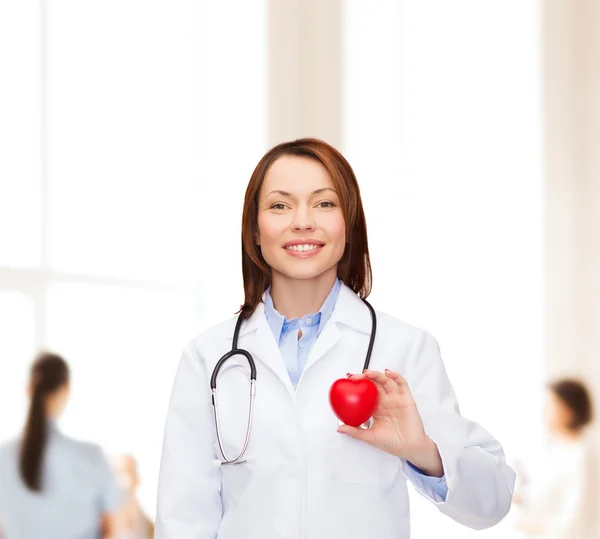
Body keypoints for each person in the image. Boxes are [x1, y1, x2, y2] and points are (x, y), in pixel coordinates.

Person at [155, 138, 515, 538]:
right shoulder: (209, 357)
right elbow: (183, 517)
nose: (303, 221)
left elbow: (492, 501)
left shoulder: (404, 348)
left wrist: (422, 451)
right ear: (255, 230)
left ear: (350, 223)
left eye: (324, 203)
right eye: (280, 205)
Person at [0, 352, 123, 538]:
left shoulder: (3, 457)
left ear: (27, 389)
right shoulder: (90, 457)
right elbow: (112, 529)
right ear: (65, 390)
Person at [513, 378, 598, 538]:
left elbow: (575, 520)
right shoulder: (555, 449)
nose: (543, 411)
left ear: (569, 410)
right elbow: (545, 494)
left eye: (551, 404)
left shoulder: (582, 456)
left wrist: (533, 526)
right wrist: (519, 497)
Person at [113, 454, 154, 538]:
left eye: (130, 471)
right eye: (119, 472)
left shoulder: (146, 523)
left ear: (138, 479)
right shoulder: (107, 519)